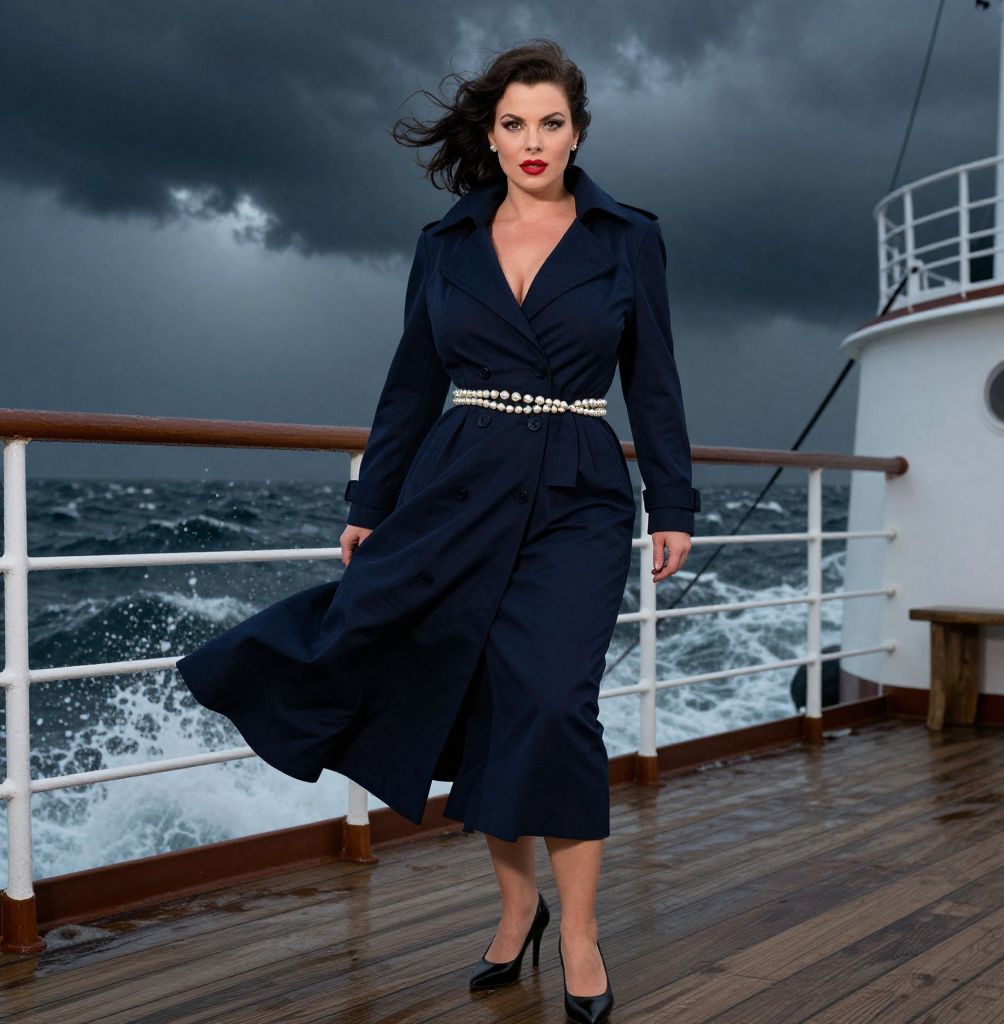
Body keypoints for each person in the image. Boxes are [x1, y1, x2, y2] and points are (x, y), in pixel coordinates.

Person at [176, 37, 700, 1024]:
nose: (533, 141)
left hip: (579, 493)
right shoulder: (445, 244)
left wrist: (672, 504)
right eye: (514, 123)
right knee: (473, 700)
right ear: (491, 136)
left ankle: (580, 936)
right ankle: (517, 909)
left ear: (576, 132)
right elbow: (413, 382)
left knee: (552, 704)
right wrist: (369, 504)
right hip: (456, 487)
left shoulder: (627, 237)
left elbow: (656, 382)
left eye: (551, 123)